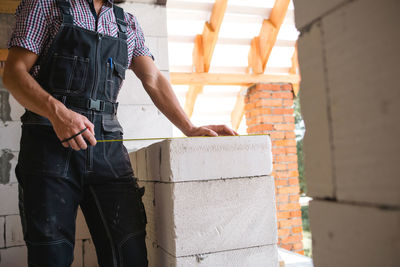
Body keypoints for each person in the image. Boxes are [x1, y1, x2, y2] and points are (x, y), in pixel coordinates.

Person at [3, 0, 238, 266]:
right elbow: (13, 73)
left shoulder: (127, 22)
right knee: (50, 257)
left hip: (108, 150)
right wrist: (58, 113)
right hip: (48, 147)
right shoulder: (44, 5)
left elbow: (154, 78)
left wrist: (190, 128)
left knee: (130, 254)